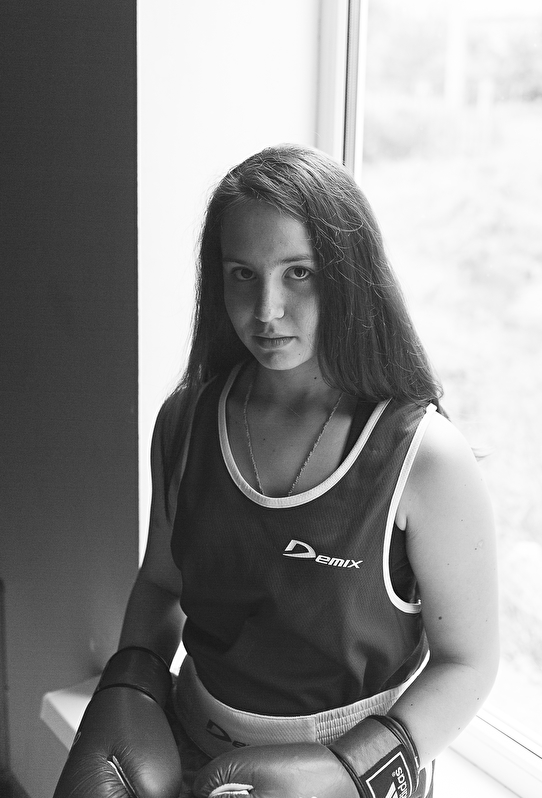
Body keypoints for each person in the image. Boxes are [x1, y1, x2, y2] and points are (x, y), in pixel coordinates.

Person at [53, 144, 499, 798]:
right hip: (192, 753)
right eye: (242, 274)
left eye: (299, 273)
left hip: (352, 775)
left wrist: (353, 770)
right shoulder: (186, 421)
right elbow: (161, 583)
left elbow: (468, 661)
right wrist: (132, 684)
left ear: (350, 276)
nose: (266, 310)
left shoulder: (425, 458)